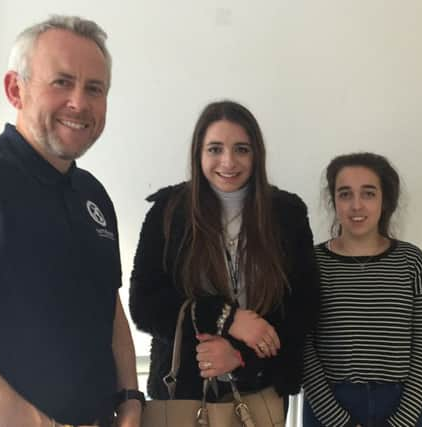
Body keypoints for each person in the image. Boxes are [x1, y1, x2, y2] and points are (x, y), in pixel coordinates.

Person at [0, 16, 141, 427]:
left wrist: (130, 399)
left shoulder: (92, 194)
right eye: (61, 82)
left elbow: (109, 309)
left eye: (95, 88)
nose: (80, 102)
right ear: (14, 89)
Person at [129, 100, 318, 413]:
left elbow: (302, 307)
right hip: (183, 392)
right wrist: (226, 319)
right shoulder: (168, 211)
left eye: (241, 149)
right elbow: (144, 305)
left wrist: (241, 357)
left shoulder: (287, 214)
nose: (228, 162)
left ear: (256, 154)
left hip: (260, 388)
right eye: (215, 149)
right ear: (198, 154)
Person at [302, 152, 422, 427]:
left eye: (368, 193)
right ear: (334, 201)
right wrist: (340, 422)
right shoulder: (310, 263)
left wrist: (402, 421)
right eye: (345, 194)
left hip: (401, 404)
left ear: (384, 200)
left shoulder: (412, 261)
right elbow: (304, 346)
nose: (356, 205)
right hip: (329, 405)